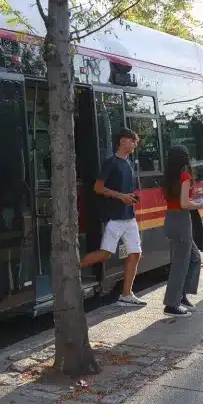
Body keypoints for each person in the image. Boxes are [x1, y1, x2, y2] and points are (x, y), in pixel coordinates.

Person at [80, 128, 146, 307]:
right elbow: (98, 188)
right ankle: (71, 268)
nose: (135, 144)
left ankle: (126, 294)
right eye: (132, 141)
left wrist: (130, 197)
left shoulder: (128, 162)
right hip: (115, 218)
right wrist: (121, 196)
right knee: (105, 254)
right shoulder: (111, 163)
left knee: (135, 253)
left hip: (129, 217)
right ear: (122, 141)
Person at [162, 146, 203, 318]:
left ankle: (181, 295)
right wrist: (200, 204)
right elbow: (184, 204)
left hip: (170, 218)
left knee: (194, 258)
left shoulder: (168, 177)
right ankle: (172, 305)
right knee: (180, 265)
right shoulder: (185, 176)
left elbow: (175, 200)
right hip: (181, 220)